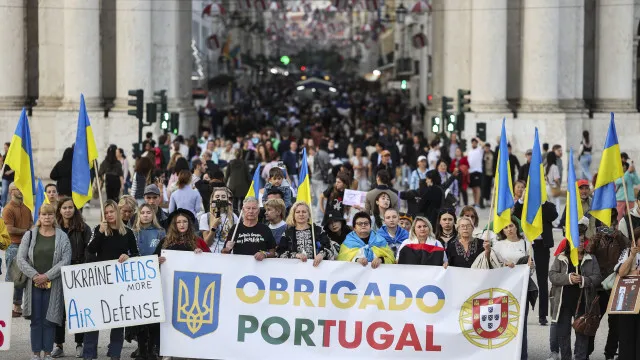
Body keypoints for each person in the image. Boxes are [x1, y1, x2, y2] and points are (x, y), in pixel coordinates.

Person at [83, 200, 139, 360]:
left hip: (119, 282)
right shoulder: (98, 230)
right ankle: (89, 353)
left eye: (111, 212)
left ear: (117, 212)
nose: (109, 215)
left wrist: (128, 256)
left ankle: (115, 353)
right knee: (95, 319)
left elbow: (136, 254)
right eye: (106, 213)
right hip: (100, 280)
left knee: (117, 321)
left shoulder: (128, 232)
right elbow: (90, 251)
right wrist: (100, 232)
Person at [473, 216, 534, 360]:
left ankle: (521, 355)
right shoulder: (498, 245)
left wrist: (530, 267)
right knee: (503, 324)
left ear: (516, 226)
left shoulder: (526, 244)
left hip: (521, 289)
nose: (509, 229)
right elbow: (493, 266)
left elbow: (531, 269)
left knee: (520, 324)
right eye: (505, 227)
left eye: (511, 226)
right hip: (502, 291)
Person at [16, 203, 71, 360]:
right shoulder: (30, 235)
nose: (47, 217)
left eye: (50, 214)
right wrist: (35, 276)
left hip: (54, 285)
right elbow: (20, 259)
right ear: (39, 216)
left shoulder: (62, 236)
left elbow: (65, 260)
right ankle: (35, 353)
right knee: (36, 319)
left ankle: (47, 352)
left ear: (54, 217)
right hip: (33, 284)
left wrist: (46, 276)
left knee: (50, 319)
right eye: (44, 214)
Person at [548, 228, 601, 360]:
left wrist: (584, 280)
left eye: (583, 241)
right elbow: (552, 275)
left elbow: (598, 277)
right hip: (564, 304)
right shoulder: (562, 257)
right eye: (578, 241)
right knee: (563, 335)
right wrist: (568, 278)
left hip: (584, 303)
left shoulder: (591, 258)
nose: (581, 244)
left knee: (582, 336)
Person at [52, 198, 91, 358]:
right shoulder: (53, 228)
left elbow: (90, 248)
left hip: (77, 272)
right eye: (64, 208)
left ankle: (79, 344)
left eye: (70, 207)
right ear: (59, 210)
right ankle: (58, 345)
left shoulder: (82, 227)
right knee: (59, 311)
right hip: (59, 273)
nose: (68, 210)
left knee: (78, 310)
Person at [587, 211, 628, 360]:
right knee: (593, 320)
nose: (608, 226)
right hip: (599, 287)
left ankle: (610, 353)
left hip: (616, 286)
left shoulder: (620, 238)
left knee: (615, 323)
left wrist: (618, 235)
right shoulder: (596, 238)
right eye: (605, 223)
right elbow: (588, 254)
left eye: (611, 223)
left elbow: (628, 249)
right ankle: (587, 350)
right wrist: (595, 239)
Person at [513, 199, 558, 326]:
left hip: (541, 245)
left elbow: (553, 216)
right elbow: (516, 213)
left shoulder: (548, 206)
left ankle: (542, 315)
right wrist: (522, 200)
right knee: (520, 278)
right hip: (525, 244)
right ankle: (518, 312)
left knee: (542, 281)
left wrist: (542, 202)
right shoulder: (524, 204)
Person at [4, 182, 34, 317]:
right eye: (18, 188)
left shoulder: (26, 207)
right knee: (12, 277)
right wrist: (27, 231)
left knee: (23, 277)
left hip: (27, 245)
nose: (21, 190)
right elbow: (9, 229)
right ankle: (7, 306)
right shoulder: (8, 209)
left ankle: (17, 306)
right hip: (14, 246)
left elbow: (31, 223)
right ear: (11, 192)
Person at [200, 187, 238, 253]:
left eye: (223, 197)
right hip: (212, 254)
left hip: (229, 254)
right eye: (217, 196)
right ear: (212, 199)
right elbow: (207, 243)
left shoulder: (233, 216)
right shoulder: (205, 217)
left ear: (227, 199)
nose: (220, 199)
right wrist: (214, 226)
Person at [467, 137, 484, 208]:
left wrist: (478, 139)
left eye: (475, 142)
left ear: (476, 143)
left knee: (477, 188)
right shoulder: (470, 151)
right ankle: (475, 202)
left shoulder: (479, 150)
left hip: (477, 171)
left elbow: (483, 145)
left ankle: (477, 203)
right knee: (473, 188)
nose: (474, 143)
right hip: (471, 171)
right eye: (473, 142)